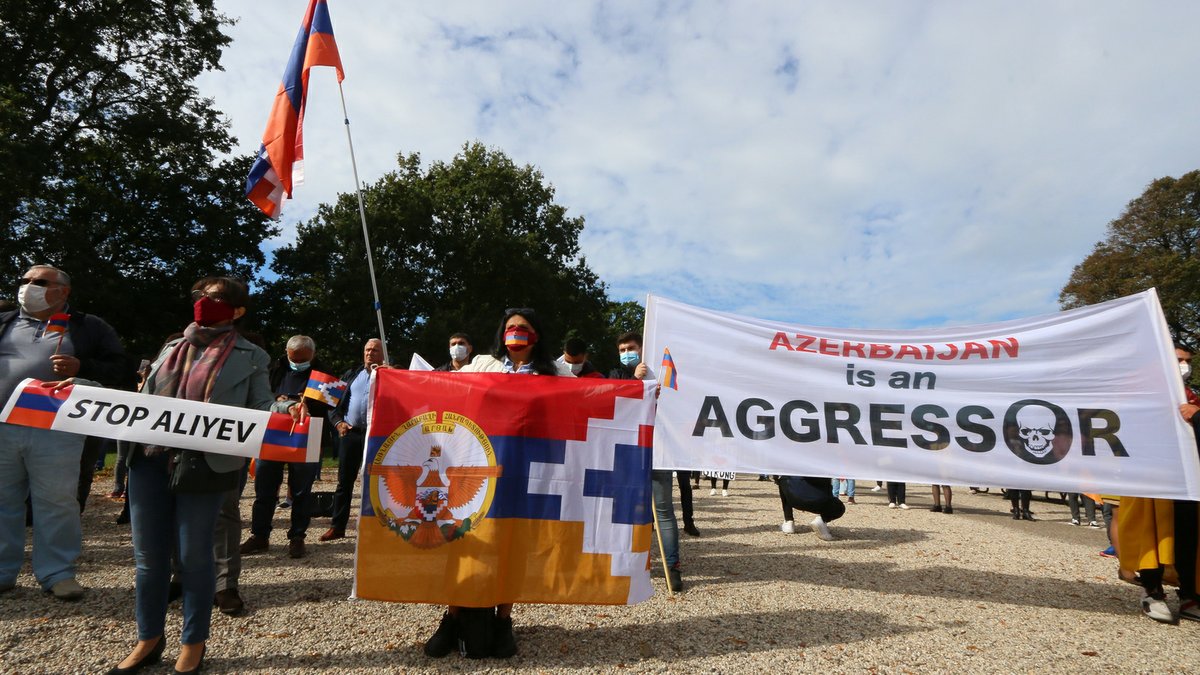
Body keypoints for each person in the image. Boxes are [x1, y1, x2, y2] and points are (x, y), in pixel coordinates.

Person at [73, 277, 297, 674]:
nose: (204, 302)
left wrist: (288, 408)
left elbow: (262, 406)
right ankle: (148, 639)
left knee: (195, 558)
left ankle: (193, 643)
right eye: (200, 295)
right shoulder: (171, 347)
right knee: (148, 559)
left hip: (204, 466)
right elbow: (139, 399)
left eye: (216, 297)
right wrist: (78, 386)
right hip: (148, 461)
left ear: (237, 310)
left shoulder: (252, 356)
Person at [423, 308, 571, 660]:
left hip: (527, 469)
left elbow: (594, 396)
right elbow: (442, 385)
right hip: (479, 465)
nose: (515, 332)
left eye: (523, 327)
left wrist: (641, 388)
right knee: (466, 540)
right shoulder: (482, 364)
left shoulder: (556, 372)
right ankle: (451, 617)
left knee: (514, 544)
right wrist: (388, 376)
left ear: (536, 334)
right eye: (510, 327)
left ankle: (504, 620)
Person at [0, 264, 126, 601]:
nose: (28, 286)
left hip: (56, 427)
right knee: (2, 501)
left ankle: (57, 572)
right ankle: (2, 571)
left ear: (64, 291)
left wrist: (82, 367)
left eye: (40, 282)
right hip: (2, 425)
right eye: (25, 280)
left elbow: (120, 369)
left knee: (57, 502)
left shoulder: (89, 327)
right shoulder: (5, 321)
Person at [606, 332, 687, 581]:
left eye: (630, 348)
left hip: (658, 449)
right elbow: (613, 402)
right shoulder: (615, 374)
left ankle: (672, 566)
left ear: (641, 349)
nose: (626, 353)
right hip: (628, 450)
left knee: (663, 510)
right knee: (625, 510)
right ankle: (626, 563)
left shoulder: (660, 373)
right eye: (622, 350)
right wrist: (635, 381)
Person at [241, 335, 330, 559]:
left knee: (301, 491)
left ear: (313, 355)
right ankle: (259, 535)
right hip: (272, 433)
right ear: (286, 353)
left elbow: (331, 406)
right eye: (294, 358)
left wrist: (307, 403)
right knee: (265, 488)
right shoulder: (273, 368)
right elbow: (259, 396)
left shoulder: (324, 374)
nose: (298, 363)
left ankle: (297, 537)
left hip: (307, 436)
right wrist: (279, 401)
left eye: (303, 359)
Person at [321, 338, 386, 542]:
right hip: (351, 434)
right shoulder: (350, 374)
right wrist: (338, 422)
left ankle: (378, 528)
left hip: (376, 436)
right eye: (367, 349)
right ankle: (337, 527)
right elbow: (332, 403)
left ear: (383, 354)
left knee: (377, 483)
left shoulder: (390, 375)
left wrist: (390, 373)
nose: (370, 353)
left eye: (375, 350)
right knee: (344, 482)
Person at [777, 475, 844, 541]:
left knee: (783, 478)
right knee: (839, 507)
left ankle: (788, 521)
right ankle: (822, 519)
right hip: (819, 501)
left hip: (794, 498)